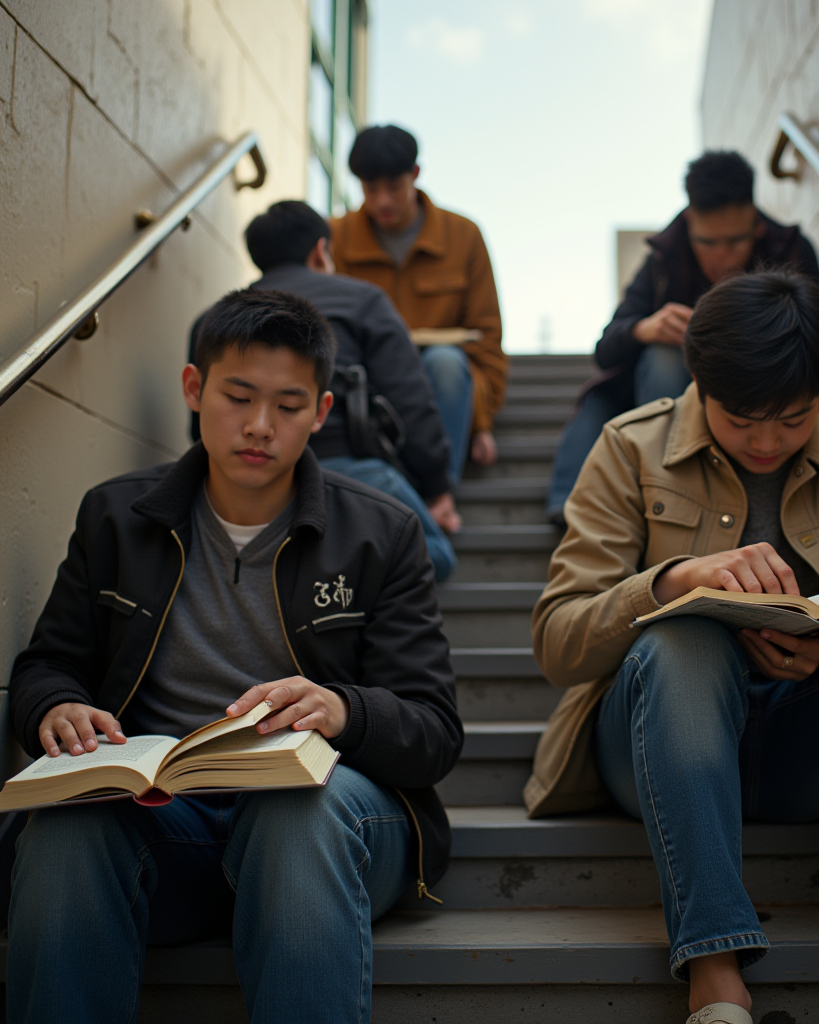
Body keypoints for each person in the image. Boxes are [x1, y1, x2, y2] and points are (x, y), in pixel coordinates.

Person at [8, 289, 463, 1024]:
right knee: (67, 821)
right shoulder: (117, 517)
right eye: (238, 396)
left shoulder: (381, 532)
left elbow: (435, 730)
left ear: (320, 413)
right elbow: (47, 663)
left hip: (325, 828)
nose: (259, 427)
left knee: (295, 815)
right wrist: (53, 708)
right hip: (167, 824)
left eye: (288, 406)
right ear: (195, 389)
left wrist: (342, 710)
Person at [527, 272, 819, 1024]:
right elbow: (558, 643)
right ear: (698, 381)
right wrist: (670, 584)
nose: (766, 441)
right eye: (741, 420)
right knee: (685, 644)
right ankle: (714, 974)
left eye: (794, 419)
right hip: (658, 745)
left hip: (811, 750)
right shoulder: (629, 449)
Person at [546, 149, 819, 524]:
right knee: (661, 357)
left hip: (768, 383)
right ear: (689, 221)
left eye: (735, 241)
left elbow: (818, 338)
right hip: (678, 394)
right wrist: (646, 327)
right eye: (707, 242)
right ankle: (663, 486)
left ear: (755, 222)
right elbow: (606, 349)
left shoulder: (791, 249)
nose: (722, 256)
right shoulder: (663, 256)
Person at [190, 200, 461, 581]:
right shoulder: (363, 301)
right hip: (351, 470)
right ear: (320, 250)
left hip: (244, 490)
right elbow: (410, 399)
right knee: (433, 556)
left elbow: (198, 427)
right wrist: (437, 489)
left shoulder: (212, 320)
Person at [328, 124, 507, 484]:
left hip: (443, 377)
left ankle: (440, 493)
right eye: (369, 189)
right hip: (368, 378)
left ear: (415, 175)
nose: (382, 202)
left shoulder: (464, 235)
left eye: (393, 187)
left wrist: (481, 423)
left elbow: (487, 338)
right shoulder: (336, 237)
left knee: (445, 362)